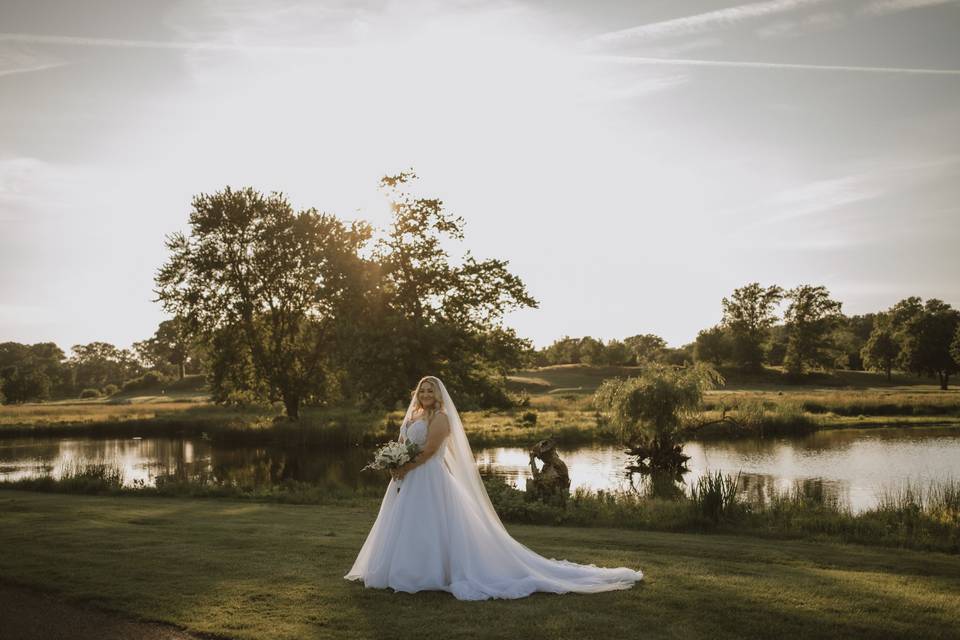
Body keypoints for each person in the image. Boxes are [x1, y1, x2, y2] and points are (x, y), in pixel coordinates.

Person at [344, 376, 644, 600]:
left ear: (437, 395)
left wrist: (403, 466)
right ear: (417, 394)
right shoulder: (412, 416)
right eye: (422, 390)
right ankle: (399, 570)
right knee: (405, 524)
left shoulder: (442, 419)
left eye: (430, 390)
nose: (425, 394)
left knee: (429, 525)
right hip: (406, 479)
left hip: (429, 477)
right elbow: (403, 445)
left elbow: (427, 451)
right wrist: (393, 463)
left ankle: (428, 573)